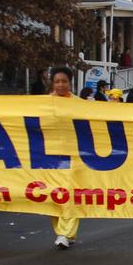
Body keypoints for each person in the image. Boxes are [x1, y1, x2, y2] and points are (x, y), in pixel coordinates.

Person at [48, 67, 79, 249]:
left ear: (70, 83)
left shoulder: (79, 104)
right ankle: (63, 231)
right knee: (53, 196)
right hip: (48, 157)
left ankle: (65, 233)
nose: (60, 84)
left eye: (64, 81)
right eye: (57, 81)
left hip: (73, 156)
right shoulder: (43, 104)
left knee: (71, 195)